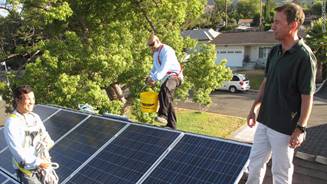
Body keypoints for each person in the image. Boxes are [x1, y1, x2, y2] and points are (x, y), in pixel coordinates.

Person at [246, 3, 317, 184]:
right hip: (265, 120)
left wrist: (300, 128)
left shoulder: (304, 57)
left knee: (281, 173)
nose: (272, 26)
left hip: (285, 128)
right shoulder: (275, 51)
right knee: (254, 165)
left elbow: (307, 97)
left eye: (277, 22)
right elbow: (266, 81)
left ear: (293, 25)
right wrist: (254, 107)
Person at [4, 85, 55, 184]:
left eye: (33, 98)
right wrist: (39, 163)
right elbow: (19, 153)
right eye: (28, 99)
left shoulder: (35, 117)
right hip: (27, 172)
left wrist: (48, 142)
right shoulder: (12, 123)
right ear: (17, 100)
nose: (32, 102)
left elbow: (44, 134)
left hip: (42, 165)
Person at [146, 34, 183, 129]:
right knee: (167, 100)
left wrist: (155, 78)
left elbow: (165, 67)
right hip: (165, 78)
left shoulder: (167, 50)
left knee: (165, 89)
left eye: (152, 44)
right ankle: (171, 125)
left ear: (158, 41)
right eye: (149, 45)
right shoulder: (155, 54)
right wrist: (150, 77)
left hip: (175, 76)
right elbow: (154, 69)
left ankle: (163, 115)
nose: (151, 47)